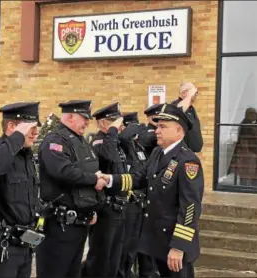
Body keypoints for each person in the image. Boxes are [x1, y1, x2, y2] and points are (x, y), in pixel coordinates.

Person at [98, 103, 205, 278]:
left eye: (163, 127)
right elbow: (140, 178)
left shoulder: (187, 161)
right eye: (157, 126)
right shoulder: (158, 153)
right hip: (158, 241)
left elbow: (190, 208)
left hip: (175, 245)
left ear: (178, 131)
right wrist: (110, 179)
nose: (157, 130)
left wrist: (179, 247)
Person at [36, 100, 105, 278]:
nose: (87, 123)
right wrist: (93, 179)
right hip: (60, 225)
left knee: (72, 272)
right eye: (84, 118)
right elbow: (64, 171)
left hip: (80, 223)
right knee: (55, 271)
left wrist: (92, 207)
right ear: (69, 117)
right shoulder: (55, 141)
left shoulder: (81, 142)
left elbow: (88, 170)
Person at [0, 102, 41, 278]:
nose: (36, 132)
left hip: (24, 245)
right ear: (12, 127)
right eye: (31, 127)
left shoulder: (27, 157)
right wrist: (17, 138)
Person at [82, 102, 128, 278]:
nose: (120, 127)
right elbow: (107, 155)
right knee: (102, 258)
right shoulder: (100, 141)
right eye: (115, 122)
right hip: (105, 209)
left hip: (119, 208)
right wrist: (113, 132)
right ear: (103, 124)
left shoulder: (115, 142)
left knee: (115, 258)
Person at [117, 112, 150, 278]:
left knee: (133, 245)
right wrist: (132, 128)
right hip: (128, 203)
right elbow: (123, 137)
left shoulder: (139, 147)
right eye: (133, 128)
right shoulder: (123, 145)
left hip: (140, 203)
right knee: (124, 245)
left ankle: (128, 271)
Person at [172, 82, 203, 152]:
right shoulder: (176, 104)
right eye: (194, 93)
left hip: (190, 153)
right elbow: (178, 111)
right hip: (180, 153)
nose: (196, 95)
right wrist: (189, 96)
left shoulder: (190, 108)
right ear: (183, 93)